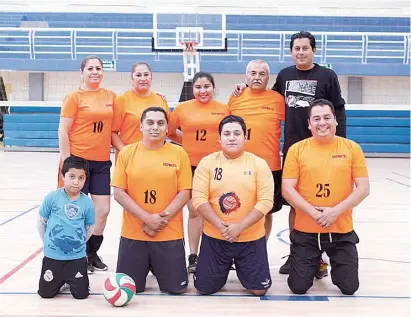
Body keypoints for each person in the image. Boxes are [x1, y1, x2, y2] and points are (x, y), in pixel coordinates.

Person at [233, 31, 347, 277]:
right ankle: (299, 255)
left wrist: (341, 143)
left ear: (313, 50)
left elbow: (338, 109)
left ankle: (320, 259)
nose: (301, 52)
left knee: (322, 203)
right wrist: (242, 87)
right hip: (294, 152)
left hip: (324, 151)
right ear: (291, 51)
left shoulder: (328, 76)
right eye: (297, 48)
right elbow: (263, 93)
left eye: (305, 48)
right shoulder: (284, 76)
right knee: (296, 205)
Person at [282, 99, 369, 295]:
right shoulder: (297, 150)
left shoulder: (352, 148)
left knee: (349, 288)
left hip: (340, 228)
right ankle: (315, 262)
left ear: (335, 121)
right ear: (309, 124)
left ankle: (327, 262)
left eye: (327, 117)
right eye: (317, 118)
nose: (322, 123)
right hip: (306, 231)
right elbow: (287, 189)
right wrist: (314, 212)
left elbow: (363, 188)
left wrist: (334, 212)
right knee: (298, 287)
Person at [111, 107, 192, 294]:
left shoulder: (179, 154)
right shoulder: (126, 153)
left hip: (168, 234)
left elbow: (184, 193)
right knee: (129, 289)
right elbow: (119, 193)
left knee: (176, 289)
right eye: (150, 122)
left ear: (167, 128)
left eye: (160, 123)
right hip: (134, 234)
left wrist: (158, 222)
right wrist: (148, 219)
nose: (155, 127)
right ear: (141, 126)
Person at [192, 115, 273, 296]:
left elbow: (266, 201)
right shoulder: (208, 163)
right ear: (219, 138)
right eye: (226, 133)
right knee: (204, 288)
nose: (232, 137)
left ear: (245, 137)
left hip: (250, 237)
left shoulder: (259, 164)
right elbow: (198, 199)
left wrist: (239, 227)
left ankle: (242, 265)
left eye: (237, 133)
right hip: (215, 236)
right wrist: (222, 227)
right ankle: (220, 267)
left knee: (259, 290)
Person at [58, 55, 115, 273]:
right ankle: (74, 254)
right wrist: (68, 162)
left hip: (101, 162)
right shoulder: (74, 97)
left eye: (98, 68)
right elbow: (63, 130)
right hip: (79, 161)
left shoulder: (110, 96)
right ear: (81, 72)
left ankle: (91, 253)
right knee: (74, 209)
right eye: (90, 68)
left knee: (103, 210)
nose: (94, 72)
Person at [169, 71, 228, 273]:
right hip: (190, 165)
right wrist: (185, 142)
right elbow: (169, 131)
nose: (203, 91)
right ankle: (193, 255)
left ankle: (219, 253)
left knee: (220, 208)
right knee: (194, 210)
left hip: (216, 165)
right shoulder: (182, 108)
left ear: (213, 88)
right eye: (198, 87)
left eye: (206, 87)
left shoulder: (223, 109)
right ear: (192, 89)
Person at [228, 60, 285, 240]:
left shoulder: (278, 99)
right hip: (239, 164)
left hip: (269, 166)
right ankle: (236, 248)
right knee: (235, 206)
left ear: (268, 78)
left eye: (262, 74)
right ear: (246, 77)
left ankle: (261, 250)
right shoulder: (236, 97)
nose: (257, 77)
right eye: (253, 73)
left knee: (266, 210)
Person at [38, 156, 95, 299]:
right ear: (62, 176)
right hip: (53, 256)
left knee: (81, 295)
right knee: (46, 294)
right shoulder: (52, 198)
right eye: (72, 176)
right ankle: (61, 281)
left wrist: (78, 243)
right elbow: (41, 223)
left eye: (81, 178)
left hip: (76, 257)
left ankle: (71, 280)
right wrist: (48, 242)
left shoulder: (87, 203)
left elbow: (90, 228)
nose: (76, 182)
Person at [111, 62, 178, 154]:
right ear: (132, 77)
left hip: (156, 156)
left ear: (151, 77)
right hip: (130, 158)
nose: (143, 78)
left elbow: (170, 131)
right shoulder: (122, 100)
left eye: (146, 75)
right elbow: (112, 133)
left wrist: (194, 142)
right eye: (138, 75)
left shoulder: (160, 100)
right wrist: (125, 152)